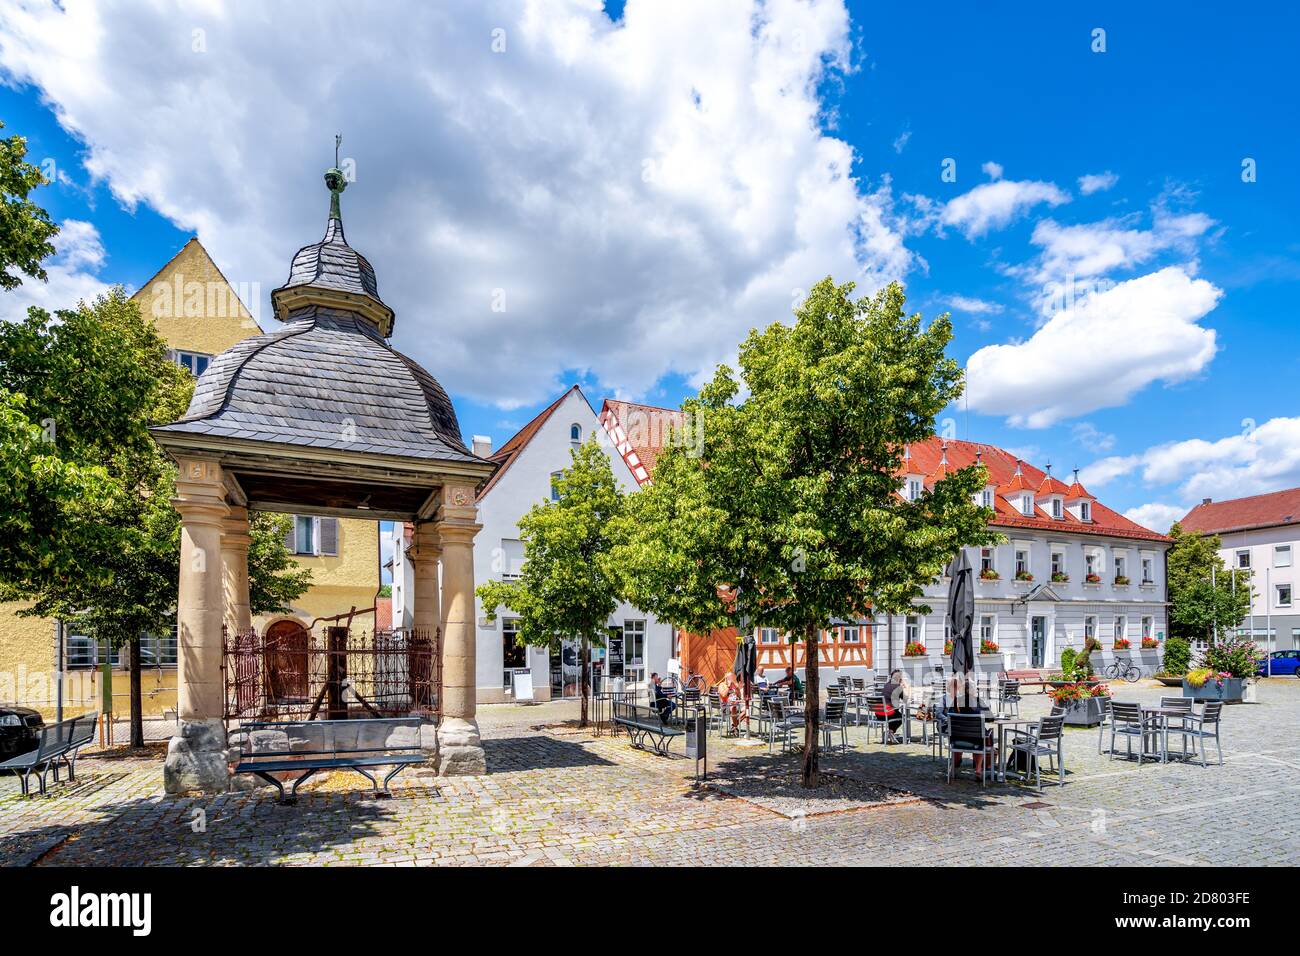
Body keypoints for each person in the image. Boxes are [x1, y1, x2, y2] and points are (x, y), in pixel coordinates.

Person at [941, 675, 995, 778]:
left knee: (960, 734)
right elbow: (991, 718)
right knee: (982, 737)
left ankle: (953, 766)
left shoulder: (956, 701)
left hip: (957, 739)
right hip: (976, 740)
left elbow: (950, 716)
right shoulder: (978, 701)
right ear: (974, 690)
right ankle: (978, 769)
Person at [875, 669, 908, 744]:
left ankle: (890, 732)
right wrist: (905, 686)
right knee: (901, 717)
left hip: (878, 713)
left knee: (895, 713)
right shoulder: (897, 687)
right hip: (887, 714)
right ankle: (891, 732)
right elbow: (905, 699)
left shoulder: (886, 684)